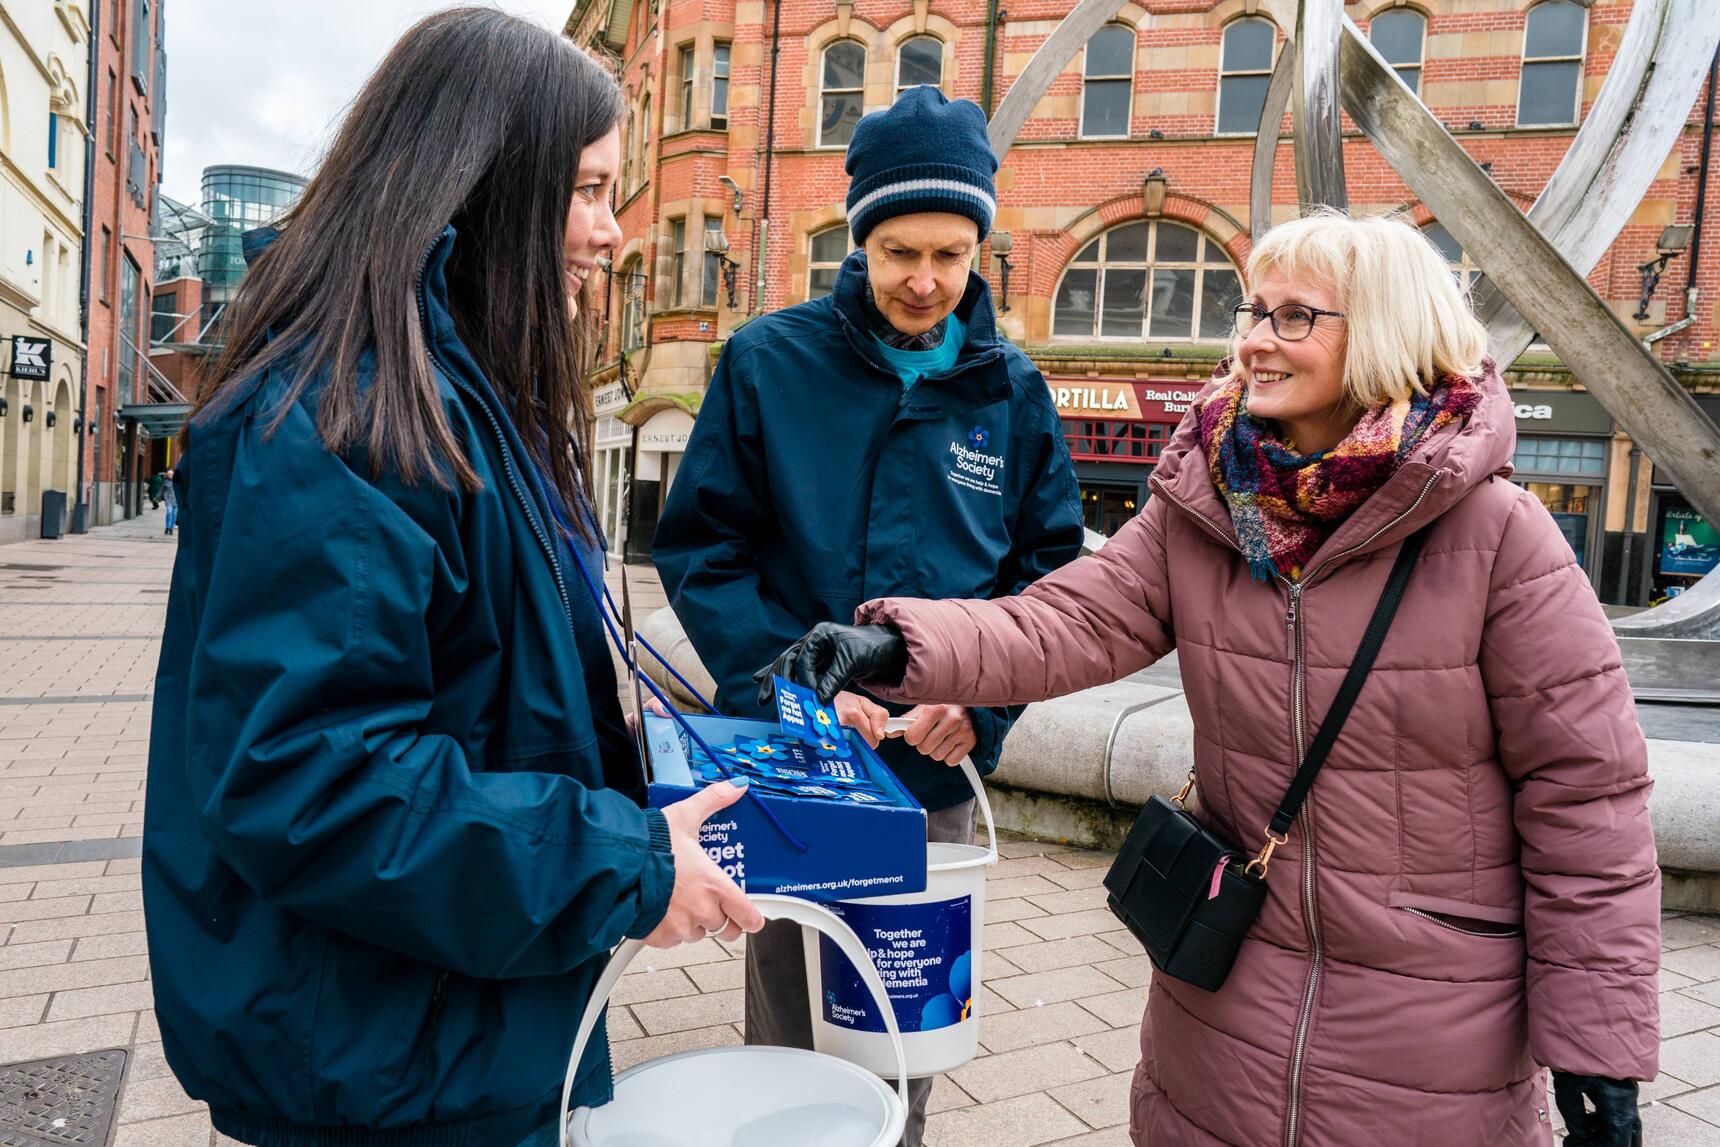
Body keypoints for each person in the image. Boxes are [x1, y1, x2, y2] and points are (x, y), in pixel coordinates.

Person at [766, 211, 1661, 1147]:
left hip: (1432, 1027)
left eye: (1293, 318)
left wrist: (1599, 1053)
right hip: (1225, 993)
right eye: (1253, 310)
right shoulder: (1207, 506)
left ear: (1385, 333)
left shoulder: (1499, 537)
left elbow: (1588, 805)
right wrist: (895, 646)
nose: (1253, 340)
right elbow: (1066, 618)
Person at [144, 11, 761, 1146]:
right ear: (488, 184)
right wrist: (614, 860)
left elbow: (489, 700)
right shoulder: (343, 414)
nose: (611, 232)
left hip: (449, 1028)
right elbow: (310, 780)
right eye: (585, 190)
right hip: (382, 1062)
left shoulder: (459, 395)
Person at [653, 86, 1084, 1145]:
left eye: (949, 254)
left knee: (903, 1037)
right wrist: (787, 690)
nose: (926, 282)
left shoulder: (1014, 393)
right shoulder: (767, 361)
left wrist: (982, 710)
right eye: (899, 252)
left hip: (926, 775)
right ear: (859, 240)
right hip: (789, 770)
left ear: (978, 244)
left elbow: (1052, 581)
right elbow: (702, 549)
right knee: (791, 1026)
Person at [160, 468, 176, 534]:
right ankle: (167, 527)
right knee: (169, 513)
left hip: (176, 501)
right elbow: (162, 491)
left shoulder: (178, 482)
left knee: (174, 515)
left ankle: (171, 528)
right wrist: (163, 498)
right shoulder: (165, 482)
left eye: (171, 474)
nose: (170, 475)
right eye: (169, 474)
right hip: (169, 500)